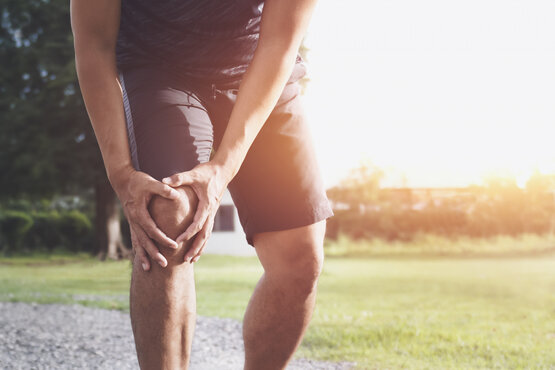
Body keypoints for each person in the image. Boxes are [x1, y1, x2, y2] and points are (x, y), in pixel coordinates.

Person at [70, 0, 334, 368]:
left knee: (300, 255)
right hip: (158, 69)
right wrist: (122, 175)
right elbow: (94, 43)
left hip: (258, 66)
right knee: (166, 208)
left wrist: (223, 168)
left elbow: (279, 43)